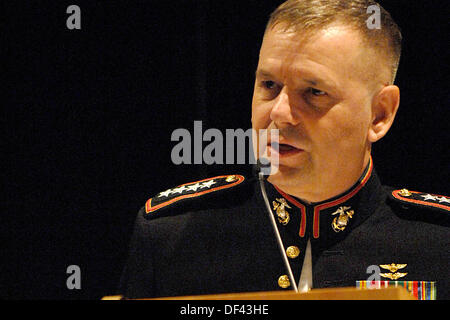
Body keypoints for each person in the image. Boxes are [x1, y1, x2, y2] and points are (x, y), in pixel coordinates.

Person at [118, 0, 449, 300]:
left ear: (380, 114)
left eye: (314, 92)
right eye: (269, 86)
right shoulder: (172, 237)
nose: (279, 113)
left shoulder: (438, 244)